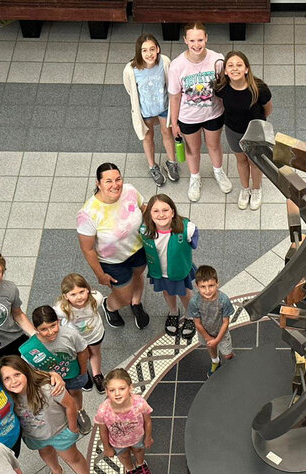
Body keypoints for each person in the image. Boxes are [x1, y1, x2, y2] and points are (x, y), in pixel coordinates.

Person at [0, 356, 102, 474]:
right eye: (7, 378)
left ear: (26, 372)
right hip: (35, 436)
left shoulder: (48, 388)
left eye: (17, 374)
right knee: (46, 453)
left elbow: (70, 405)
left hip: (60, 432)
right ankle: (56, 472)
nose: (13, 381)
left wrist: (73, 428)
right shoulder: (10, 397)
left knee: (73, 458)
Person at [77, 162, 150, 330]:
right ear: (98, 183)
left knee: (138, 276)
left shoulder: (130, 191)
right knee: (123, 297)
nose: (115, 185)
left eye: (118, 179)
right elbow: (87, 249)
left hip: (138, 250)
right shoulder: (88, 213)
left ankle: (136, 303)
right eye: (108, 181)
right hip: (113, 261)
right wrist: (100, 275)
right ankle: (109, 307)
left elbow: (144, 209)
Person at [168, 22, 231, 202]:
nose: (197, 44)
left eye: (200, 39)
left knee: (214, 145)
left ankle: (218, 172)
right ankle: (195, 177)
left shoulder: (217, 60)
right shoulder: (177, 66)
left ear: (206, 38)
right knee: (192, 149)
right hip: (188, 117)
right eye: (192, 40)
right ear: (185, 40)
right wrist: (174, 122)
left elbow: (225, 86)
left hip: (214, 113)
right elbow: (174, 96)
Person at [19, 306, 92, 435]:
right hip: (49, 381)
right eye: (44, 329)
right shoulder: (30, 350)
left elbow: (82, 352)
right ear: (36, 329)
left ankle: (79, 410)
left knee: (75, 392)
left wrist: (83, 372)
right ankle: (68, 414)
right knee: (59, 400)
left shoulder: (70, 334)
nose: (50, 332)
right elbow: (30, 370)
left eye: (53, 326)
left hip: (73, 373)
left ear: (58, 321)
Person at [214, 50, 272, 210]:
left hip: (255, 132)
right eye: (230, 65)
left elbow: (268, 109)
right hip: (233, 131)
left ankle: (256, 189)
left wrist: (258, 124)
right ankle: (245, 189)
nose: (235, 69)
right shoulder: (222, 88)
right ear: (225, 70)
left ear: (246, 69)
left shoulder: (259, 88)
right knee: (241, 160)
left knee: (255, 161)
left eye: (239, 65)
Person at [140, 194, 198, 339]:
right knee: (167, 293)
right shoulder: (144, 231)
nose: (161, 215)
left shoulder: (187, 228)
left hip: (179, 271)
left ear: (172, 212)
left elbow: (193, 242)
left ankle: (190, 315)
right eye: (156, 211)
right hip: (160, 272)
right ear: (150, 214)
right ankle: (173, 312)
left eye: (165, 210)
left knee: (185, 293)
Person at [124, 33, 179, 187]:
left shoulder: (164, 62)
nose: (149, 54)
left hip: (163, 106)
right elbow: (130, 89)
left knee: (167, 133)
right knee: (148, 137)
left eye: (152, 49)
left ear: (158, 49)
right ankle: (152, 166)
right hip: (145, 110)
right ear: (139, 52)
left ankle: (171, 162)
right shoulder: (131, 69)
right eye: (144, 50)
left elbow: (170, 82)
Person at [96, 368, 154, 474]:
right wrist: (107, 448)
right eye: (112, 390)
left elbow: (147, 421)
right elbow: (103, 430)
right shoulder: (103, 410)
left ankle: (140, 464)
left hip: (138, 437)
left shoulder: (139, 403)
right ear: (106, 391)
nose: (117, 393)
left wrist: (148, 437)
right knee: (123, 455)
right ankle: (130, 469)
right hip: (117, 442)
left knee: (138, 450)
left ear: (130, 388)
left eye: (122, 388)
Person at [54, 273, 106, 394]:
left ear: (88, 290)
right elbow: (56, 321)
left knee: (95, 352)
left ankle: (97, 374)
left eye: (81, 292)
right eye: (73, 294)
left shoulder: (96, 299)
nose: (79, 297)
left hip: (95, 334)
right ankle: (84, 374)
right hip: (75, 339)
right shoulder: (61, 309)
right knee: (79, 355)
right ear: (65, 296)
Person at [188, 265, 235, 377]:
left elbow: (225, 322)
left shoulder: (223, 300)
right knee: (211, 348)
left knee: (227, 354)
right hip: (205, 333)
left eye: (211, 285)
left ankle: (233, 362)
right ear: (197, 286)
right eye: (203, 287)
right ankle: (215, 362)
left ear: (217, 283)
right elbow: (197, 323)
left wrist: (217, 339)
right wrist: (209, 338)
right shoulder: (194, 302)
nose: (207, 290)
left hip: (221, 334)